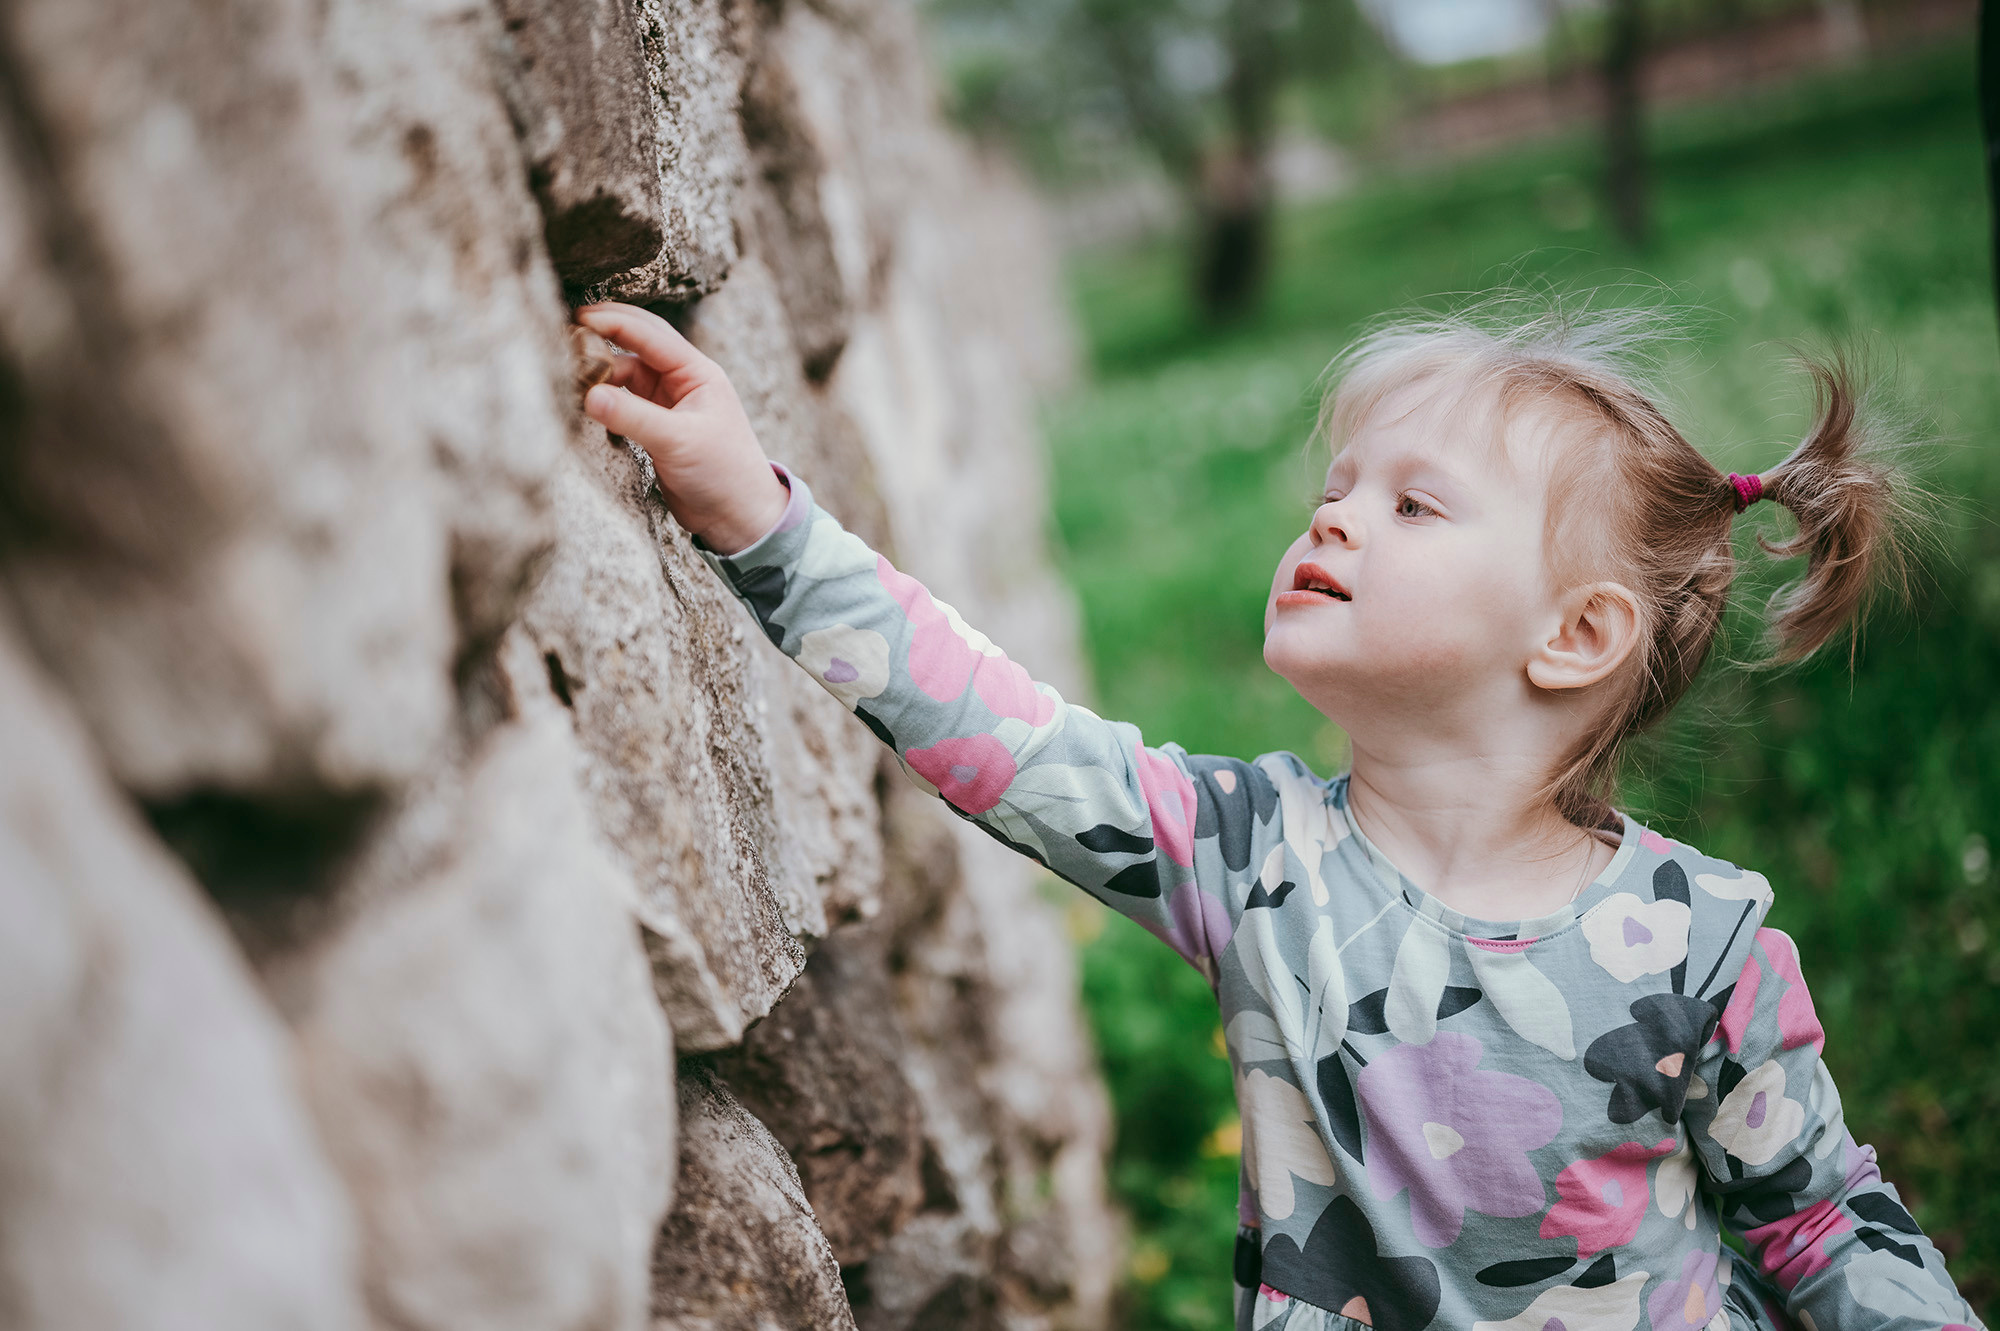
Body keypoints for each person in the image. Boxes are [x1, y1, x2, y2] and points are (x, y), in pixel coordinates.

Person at [573, 298, 1987, 1331]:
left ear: (1575, 636)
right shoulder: (1251, 859)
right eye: (1336, 489)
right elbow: (997, 729)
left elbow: (1816, 1219)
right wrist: (755, 514)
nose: (1334, 519)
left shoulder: (1701, 945)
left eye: (1415, 507)